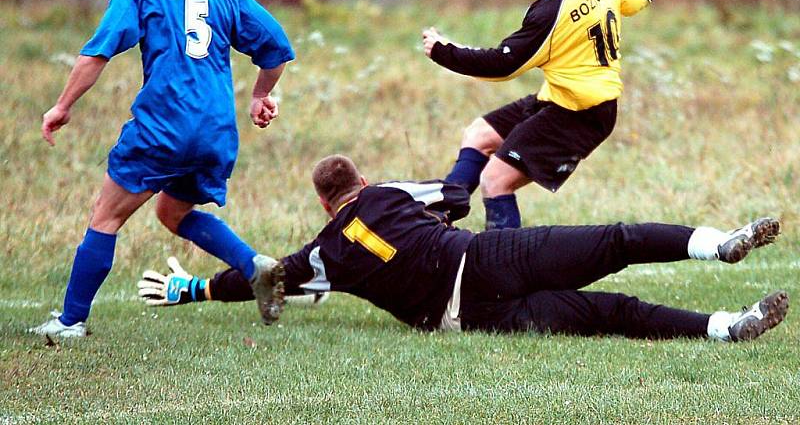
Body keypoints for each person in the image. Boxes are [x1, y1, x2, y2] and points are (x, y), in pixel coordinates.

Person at [138, 155, 788, 342]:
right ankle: (716, 245)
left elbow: (266, 277)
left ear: (323, 205)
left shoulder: (322, 255)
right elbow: (454, 195)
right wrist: (473, 157)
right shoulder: (388, 193)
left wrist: (191, 289)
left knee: (611, 312)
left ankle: (728, 328)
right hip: (483, 259)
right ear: (361, 183)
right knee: (613, 243)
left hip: (464, 318)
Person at [30, 0, 295, 338]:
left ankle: (71, 322)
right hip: (214, 132)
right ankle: (253, 265)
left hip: (163, 126)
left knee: (105, 217)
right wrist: (260, 94)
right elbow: (277, 47)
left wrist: (62, 106)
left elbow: (97, 54)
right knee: (172, 212)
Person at [422, 0, 653, 230]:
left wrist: (442, 50)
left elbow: (504, 65)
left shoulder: (551, 13)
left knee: (495, 181)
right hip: (557, 99)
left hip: (582, 114)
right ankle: (436, 221)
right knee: (479, 135)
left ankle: (504, 269)